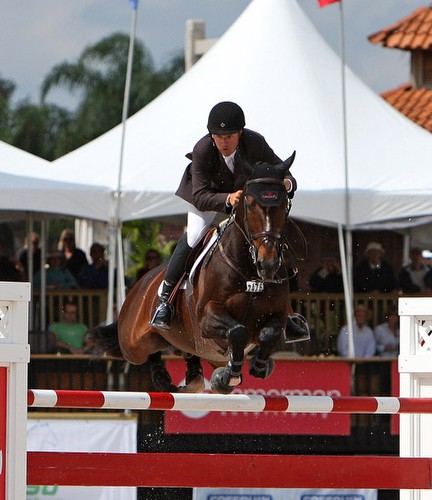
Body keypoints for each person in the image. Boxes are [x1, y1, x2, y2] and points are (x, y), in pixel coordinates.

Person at [150, 101, 300, 335]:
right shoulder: (202, 150)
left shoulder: (255, 142)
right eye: (218, 136)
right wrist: (227, 199)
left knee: (267, 237)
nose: (224, 142)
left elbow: (281, 170)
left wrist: (288, 184)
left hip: (243, 203)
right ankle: (165, 300)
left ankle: (286, 313)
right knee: (193, 237)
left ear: (241, 132)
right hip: (209, 199)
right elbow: (200, 196)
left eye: (229, 136)